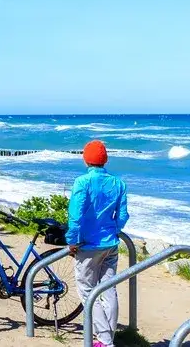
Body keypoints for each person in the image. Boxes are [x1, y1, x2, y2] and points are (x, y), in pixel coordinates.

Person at [66, 139, 129, 347]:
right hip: (110, 243)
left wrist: (72, 240)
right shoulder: (118, 183)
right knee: (108, 289)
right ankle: (108, 337)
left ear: (85, 159)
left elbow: (75, 216)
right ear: (105, 160)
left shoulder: (82, 182)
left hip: (87, 244)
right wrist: (114, 230)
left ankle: (104, 339)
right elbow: (122, 216)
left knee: (86, 290)